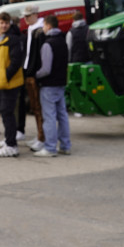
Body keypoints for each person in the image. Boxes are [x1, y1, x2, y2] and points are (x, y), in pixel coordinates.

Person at [0, 12, 25, 158]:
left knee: (7, 112)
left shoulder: (13, 40)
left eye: (6, 23)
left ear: (9, 24)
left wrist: (5, 76)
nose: (3, 25)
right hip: (1, 82)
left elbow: (15, 62)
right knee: (5, 112)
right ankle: (9, 139)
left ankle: (11, 145)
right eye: (1, 23)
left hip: (9, 82)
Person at [34, 14, 71, 156]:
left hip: (49, 85)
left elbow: (45, 69)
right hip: (61, 83)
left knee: (49, 116)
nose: (43, 28)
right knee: (62, 115)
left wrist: (35, 75)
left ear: (48, 26)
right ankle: (65, 145)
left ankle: (50, 147)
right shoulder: (63, 41)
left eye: (43, 25)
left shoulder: (48, 44)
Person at [20, 4, 46, 152]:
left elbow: (38, 55)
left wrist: (34, 72)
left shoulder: (39, 31)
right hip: (29, 72)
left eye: (29, 16)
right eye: (25, 16)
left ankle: (42, 137)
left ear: (36, 15)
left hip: (34, 74)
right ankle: (39, 135)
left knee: (39, 107)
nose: (26, 19)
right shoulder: (30, 30)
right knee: (35, 107)